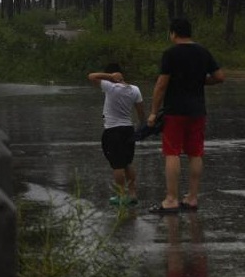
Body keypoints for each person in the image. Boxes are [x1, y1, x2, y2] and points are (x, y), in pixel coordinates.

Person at [148, 17, 226, 214]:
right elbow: (219, 77)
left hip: (175, 111)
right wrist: (201, 81)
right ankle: (192, 197)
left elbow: (161, 85)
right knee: (195, 153)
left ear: (173, 33)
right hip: (197, 110)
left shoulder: (170, 54)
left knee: (172, 152)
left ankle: (171, 199)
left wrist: (153, 112)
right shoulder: (203, 52)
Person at [88, 63, 145, 206]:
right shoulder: (135, 89)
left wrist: (109, 77)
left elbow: (91, 76)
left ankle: (121, 195)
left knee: (117, 165)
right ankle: (132, 194)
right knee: (127, 163)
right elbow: (141, 112)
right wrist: (140, 126)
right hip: (128, 129)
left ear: (111, 75)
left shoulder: (110, 87)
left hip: (113, 130)